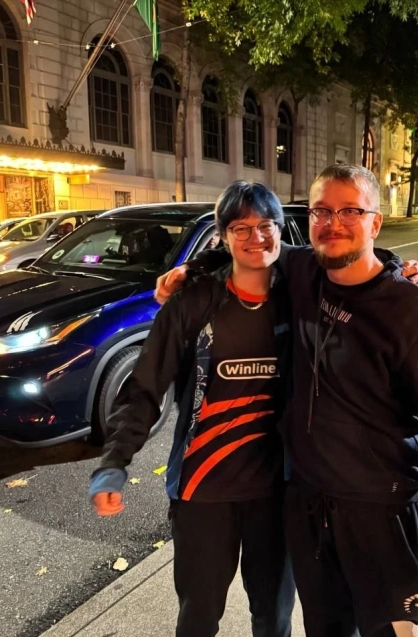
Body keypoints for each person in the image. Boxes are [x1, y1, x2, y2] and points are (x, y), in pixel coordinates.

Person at [157, 165, 418, 636]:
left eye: (350, 211)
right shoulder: (303, 272)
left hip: (381, 513)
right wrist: (189, 270)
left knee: (392, 632)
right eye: (321, 212)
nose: (333, 223)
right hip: (309, 507)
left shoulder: (409, 312)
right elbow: (251, 246)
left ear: (375, 222)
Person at [89, 181, 296, 637]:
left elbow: (351, 264)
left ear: (281, 230)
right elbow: (145, 385)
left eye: (266, 225)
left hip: (277, 496)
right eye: (241, 228)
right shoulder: (193, 302)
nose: (256, 237)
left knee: (274, 618)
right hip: (203, 492)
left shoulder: (299, 297)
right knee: (198, 618)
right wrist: (114, 462)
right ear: (223, 235)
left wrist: (402, 268)